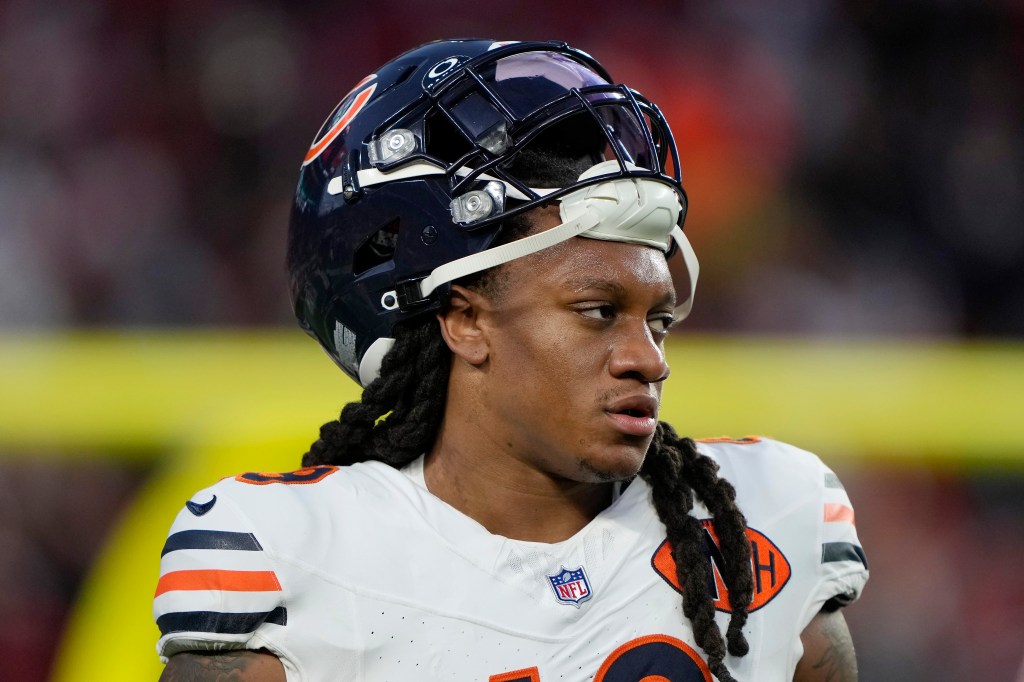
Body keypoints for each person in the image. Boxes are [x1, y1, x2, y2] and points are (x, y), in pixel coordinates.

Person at [153, 39, 868, 681]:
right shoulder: (298, 557)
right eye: (597, 312)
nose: (648, 361)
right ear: (465, 319)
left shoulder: (769, 515)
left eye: (657, 320)